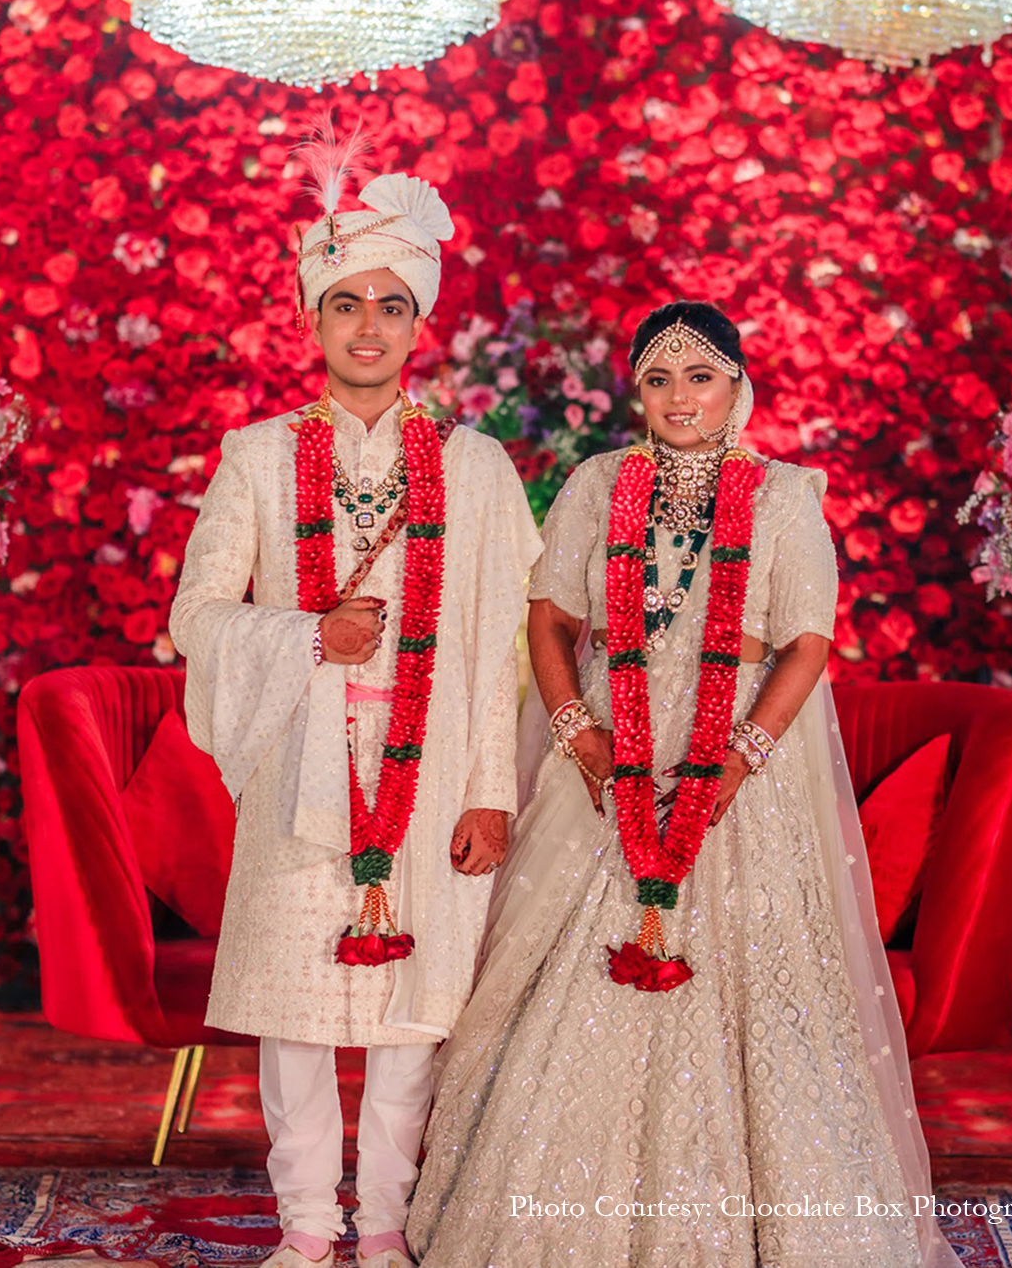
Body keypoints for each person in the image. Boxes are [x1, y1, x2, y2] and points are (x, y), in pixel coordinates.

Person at [406, 301, 959, 1268]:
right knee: (569, 970)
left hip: (741, 763)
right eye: (658, 380)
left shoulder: (784, 494)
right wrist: (580, 735)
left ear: (739, 386)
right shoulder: (596, 484)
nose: (679, 398)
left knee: (748, 981)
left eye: (699, 376)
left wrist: (738, 758)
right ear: (636, 394)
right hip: (609, 753)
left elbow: (806, 642)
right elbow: (549, 621)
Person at [169, 165, 541, 1268]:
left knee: (409, 1019)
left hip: (429, 784)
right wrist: (302, 636)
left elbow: (501, 650)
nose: (367, 326)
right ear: (310, 317)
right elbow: (195, 613)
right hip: (299, 772)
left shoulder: (475, 471)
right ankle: (303, 1229)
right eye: (345, 302)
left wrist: (489, 792)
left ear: (419, 323)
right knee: (292, 1018)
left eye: (390, 305)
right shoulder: (260, 456)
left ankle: (380, 1227)